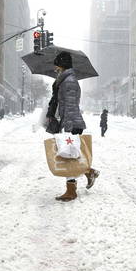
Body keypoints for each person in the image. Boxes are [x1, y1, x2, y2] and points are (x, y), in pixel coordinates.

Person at [46, 51, 99, 201]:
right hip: (69, 121)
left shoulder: (68, 82)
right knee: (71, 155)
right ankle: (89, 173)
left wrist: (66, 128)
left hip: (71, 122)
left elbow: (69, 106)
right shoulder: (65, 80)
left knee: (68, 155)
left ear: (62, 65)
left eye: (56, 65)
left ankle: (72, 190)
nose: (55, 69)